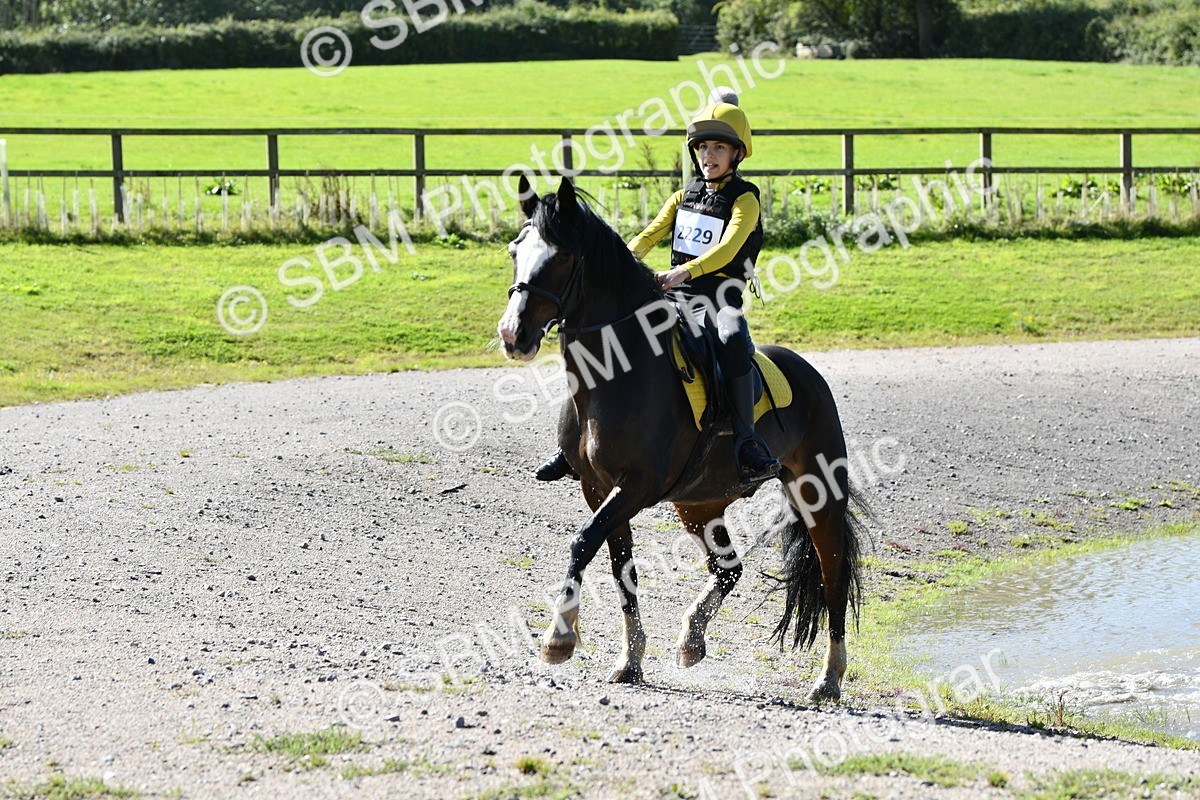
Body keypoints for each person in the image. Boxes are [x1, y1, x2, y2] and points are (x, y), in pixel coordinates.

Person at [536, 97, 780, 485]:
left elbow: (729, 248)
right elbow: (648, 236)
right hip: (674, 294)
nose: (708, 155)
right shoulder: (684, 196)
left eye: (719, 147)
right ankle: (575, 444)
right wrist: (617, 264)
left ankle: (747, 442)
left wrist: (684, 271)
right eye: (703, 147)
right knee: (612, 333)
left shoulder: (745, 199)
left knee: (732, 338)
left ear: (738, 153)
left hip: (719, 296)